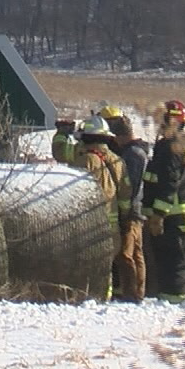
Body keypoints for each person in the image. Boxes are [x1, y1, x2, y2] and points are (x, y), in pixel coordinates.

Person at [143, 100, 185, 303]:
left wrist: (158, 214)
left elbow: (169, 183)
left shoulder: (170, 146)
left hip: (171, 217)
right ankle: (172, 300)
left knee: (171, 262)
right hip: (180, 215)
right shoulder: (180, 144)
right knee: (174, 261)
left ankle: (173, 303)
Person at [66, 115, 128, 298]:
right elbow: (126, 195)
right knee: (106, 267)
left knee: (88, 265)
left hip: (90, 224)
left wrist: (62, 133)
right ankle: (106, 298)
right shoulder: (117, 161)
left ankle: (93, 297)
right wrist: (124, 219)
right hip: (113, 225)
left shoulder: (83, 159)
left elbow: (74, 192)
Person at [102, 105, 149, 301]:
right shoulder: (133, 152)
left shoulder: (133, 155)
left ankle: (132, 295)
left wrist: (126, 211)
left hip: (132, 212)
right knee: (135, 254)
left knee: (127, 254)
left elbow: (131, 186)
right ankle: (135, 292)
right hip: (134, 210)